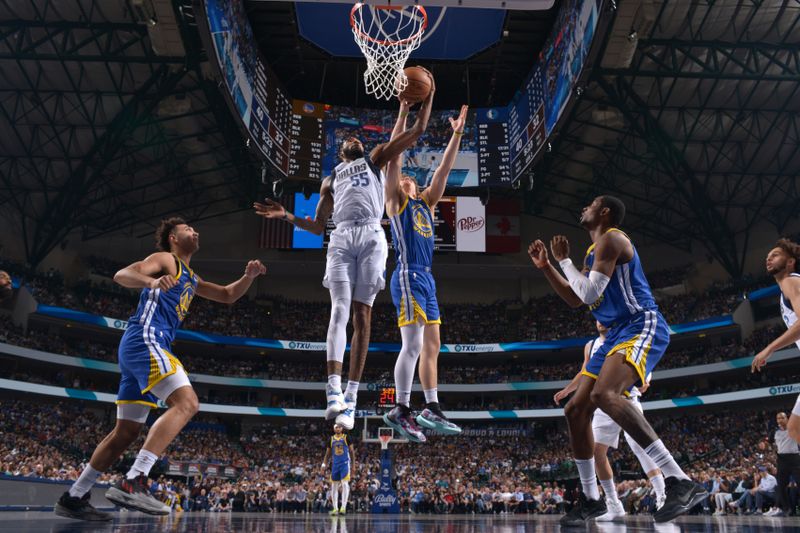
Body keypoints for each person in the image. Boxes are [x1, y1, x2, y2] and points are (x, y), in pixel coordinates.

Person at [254, 72, 435, 430]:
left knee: (362, 317)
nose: (354, 138)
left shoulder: (376, 159)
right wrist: (287, 215)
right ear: (341, 151)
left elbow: (414, 132)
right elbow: (318, 226)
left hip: (371, 235)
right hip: (339, 237)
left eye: (357, 137)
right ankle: (333, 390)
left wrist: (429, 95)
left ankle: (351, 398)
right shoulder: (330, 179)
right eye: (349, 138)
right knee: (338, 310)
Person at [54, 218, 266, 521]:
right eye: (187, 229)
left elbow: (227, 295)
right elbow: (122, 274)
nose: (195, 231)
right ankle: (134, 479)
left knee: (125, 433)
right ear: (172, 238)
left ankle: (74, 495)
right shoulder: (166, 259)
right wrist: (150, 281)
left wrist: (249, 276)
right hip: (146, 339)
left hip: (137, 348)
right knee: (188, 402)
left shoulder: (190, 277)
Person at [528, 195, 706, 525]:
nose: (584, 207)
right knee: (575, 410)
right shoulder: (593, 253)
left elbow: (590, 294)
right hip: (615, 334)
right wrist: (546, 267)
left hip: (640, 323)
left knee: (603, 395)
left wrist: (563, 261)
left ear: (604, 212)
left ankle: (679, 479)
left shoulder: (612, 238)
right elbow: (574, 298)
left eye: (591, 204)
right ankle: (592, 499)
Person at [381, 102, 468, 441]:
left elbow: (444, 170)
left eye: (408, 180)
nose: (404, 179)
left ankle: (430, 405)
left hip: (427, 278)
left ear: (415, 187)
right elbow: (392, 158)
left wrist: (457, 134)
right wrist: (403, 114)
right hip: (407, 273)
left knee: (433, 344)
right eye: (400, 179)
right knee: (413, 344)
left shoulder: (427, 203)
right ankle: (401, 408)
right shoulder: (395, 203)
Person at [555, 320, 666, 521]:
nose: (599, 322)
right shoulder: (590, 345)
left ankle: (662, 495)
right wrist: (568, 390)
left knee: (641, 447)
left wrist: (647, 378)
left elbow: (641, 358)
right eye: (596, 320)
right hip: (600, 405)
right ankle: (613, 504)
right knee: (597, 451)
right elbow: (585, 371)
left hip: (625, 399)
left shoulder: (625, 336)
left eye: (603, 319)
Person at [752, 239, 800, 444]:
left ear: (790, 262)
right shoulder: (784, 291)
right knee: (794, 429)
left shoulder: (791, 281)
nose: (769, 258)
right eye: (767, 256)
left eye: (775, 255)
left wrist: (769, 349)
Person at [766, 412, 800, 516]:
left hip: (795, 458)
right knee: (780, 486)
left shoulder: (794, 428)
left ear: (787, 418)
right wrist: (772, 452)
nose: (780, 420)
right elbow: (769, 443)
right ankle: (787, 508)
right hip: (782, 460)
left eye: (782, 418)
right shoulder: (774, 432)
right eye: (778, 418)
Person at [322, 423, 355, 515]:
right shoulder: (331, 439)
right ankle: (335, 508)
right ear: (334, 429)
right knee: (334, 486)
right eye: (336, 427)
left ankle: (343, 507)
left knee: (344, 484)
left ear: (342, 428)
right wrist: (323, 465)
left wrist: (353, 465)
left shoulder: (346, 437)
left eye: (339, 427)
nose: (338, 429)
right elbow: (327, 454)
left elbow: (352, 452)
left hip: (345, 463)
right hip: (335, 465)